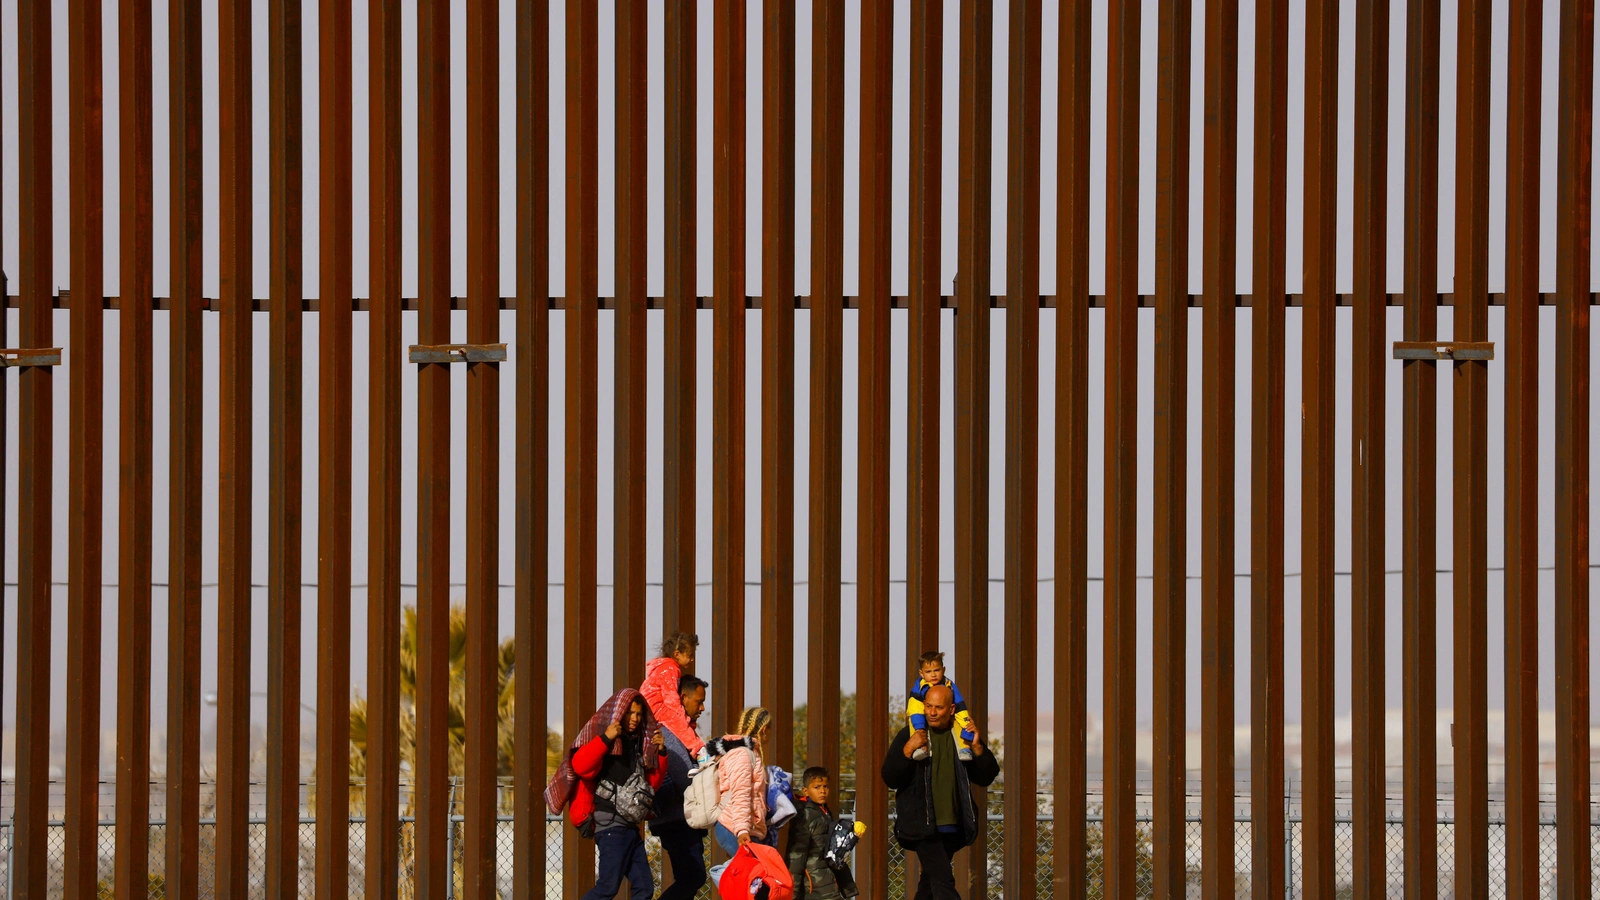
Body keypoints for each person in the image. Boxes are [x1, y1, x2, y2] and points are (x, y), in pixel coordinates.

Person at [544, 690, 667, 900]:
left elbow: (649, 786)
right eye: (630, 713)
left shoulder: (640, 744)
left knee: (644, 888)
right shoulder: (606, 737)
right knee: (608, 887)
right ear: (619, 713)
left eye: (638, 714)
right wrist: (605, 738)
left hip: (629, 826)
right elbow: (581, 766)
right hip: (610, 825)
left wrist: (661, 753)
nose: (635, 719)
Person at [881, 684, 999, 900]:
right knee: (944, 882)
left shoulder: (961, 734)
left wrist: (979, 750)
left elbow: (985, 777)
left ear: (952, 709)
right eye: (928, 706)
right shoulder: (911, 733)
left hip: (953, 825)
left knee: (929, 884)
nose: (932, 712)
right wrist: (908, 749)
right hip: (922, 824)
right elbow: (890, 777)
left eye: (938, 707)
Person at [651, 673, 711, 900]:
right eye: (699, 701)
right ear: (683, 698)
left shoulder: (684, 732)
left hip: (678, 818)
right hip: (676, 819)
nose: (703, 708)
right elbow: (684, 777)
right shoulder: (671, 731)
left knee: (690, 877)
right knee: (692, 877)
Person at [784, 766, 859, 899]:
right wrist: (792, 893)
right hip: (813, 885)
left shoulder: (823, 811)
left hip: (827, 880)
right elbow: (797, 855)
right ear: (805, 791)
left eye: (825, 786)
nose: (822, 791)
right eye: (817, 787)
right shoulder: (805, 816)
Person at [715, 706, 774, 855]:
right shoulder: (742, 754)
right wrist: (741, 829)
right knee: (751, 875)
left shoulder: (747, 753)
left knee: (747, 875)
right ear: (765, 729)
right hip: (734, 827)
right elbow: (740, 793)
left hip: (743, 827)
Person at [641, 632, 708, 758]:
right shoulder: (670, 668)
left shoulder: (663, 667)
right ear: (677, 654)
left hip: (652, 707)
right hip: (656, 707)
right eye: (690, 655)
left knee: (683, 723)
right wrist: (681, 716)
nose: (692, 659)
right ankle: (699, 751)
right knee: (679, 724)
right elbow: (671, 697)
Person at [905, 650, 981, 761]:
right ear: (921, 673)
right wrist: (919, 728)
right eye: (928, 671)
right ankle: (920, 747)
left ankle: (964, 748)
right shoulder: (919, 688)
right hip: (920, 719)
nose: (933, 674)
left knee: (958, 724)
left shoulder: (949, 685)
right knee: (913, 723)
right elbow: (915, 707)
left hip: (951, 720)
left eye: (937, 670)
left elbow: (960, 705)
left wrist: (967, 725)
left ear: (943, 670)